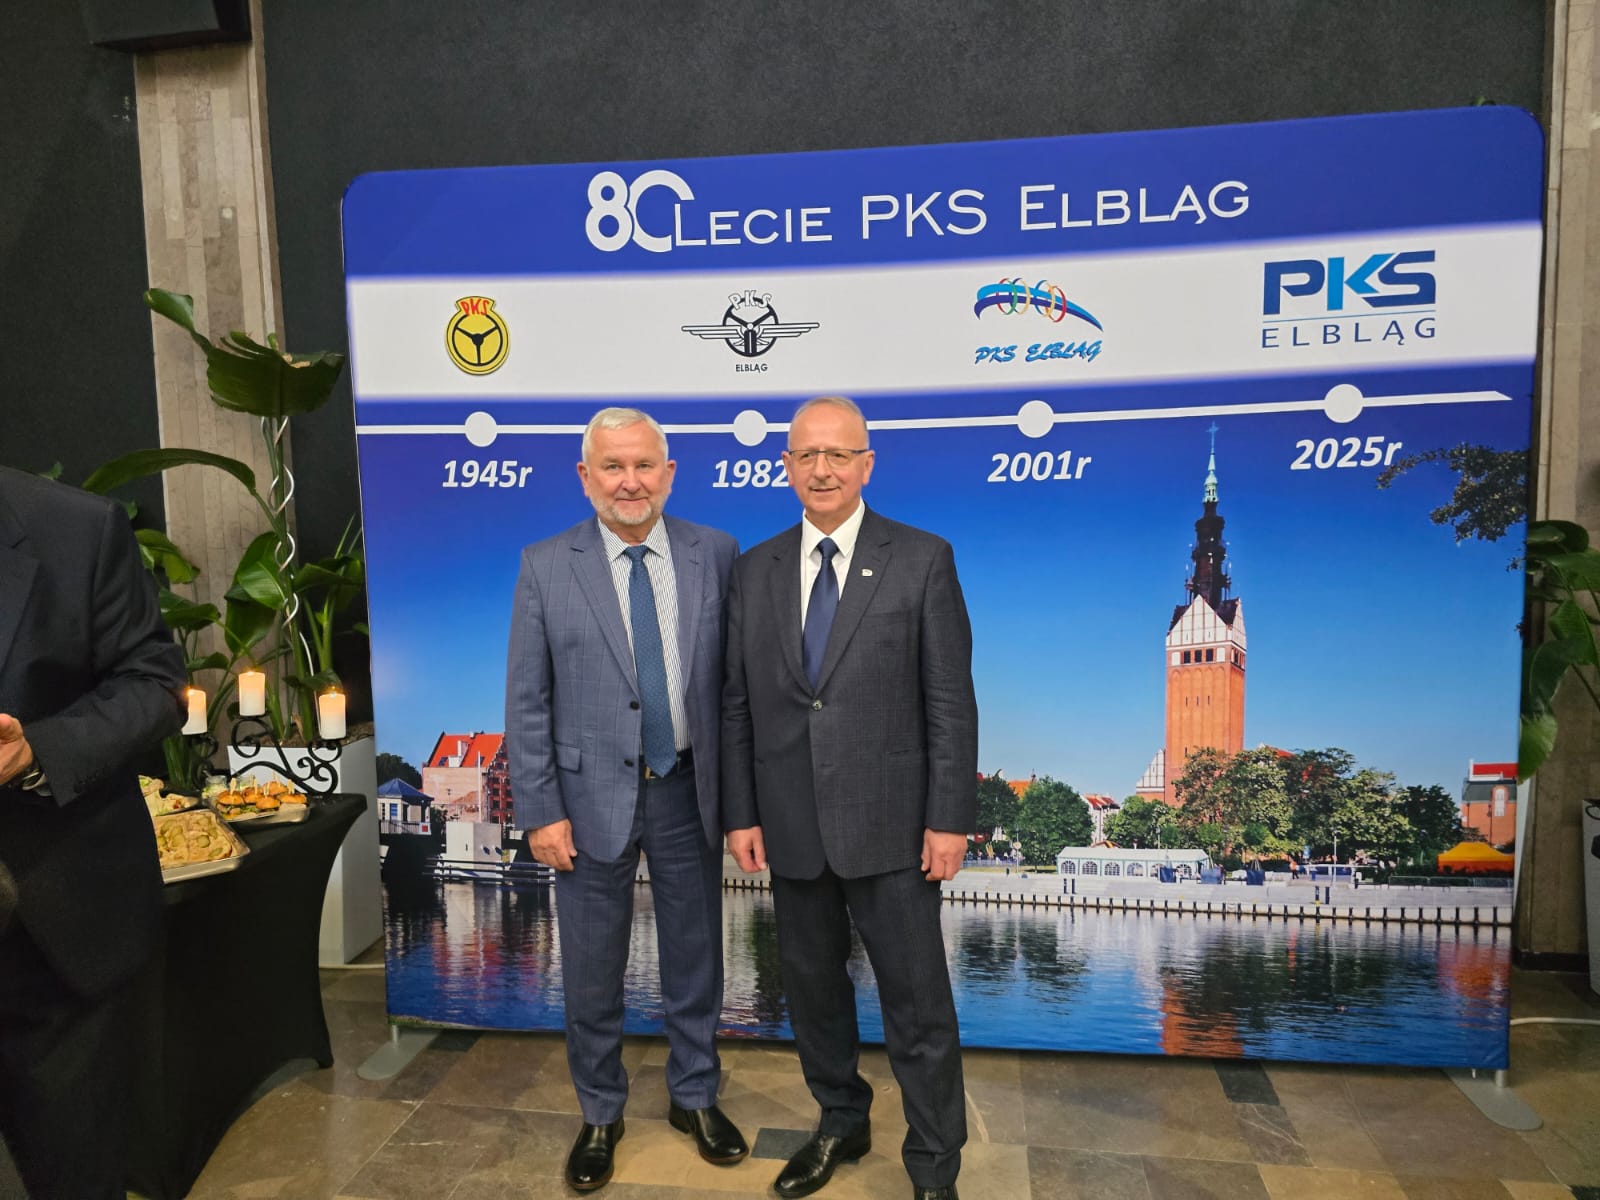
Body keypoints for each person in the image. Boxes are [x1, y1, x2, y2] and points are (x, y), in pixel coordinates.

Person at [722, 396, 977, 1200]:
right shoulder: (753, 571)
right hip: (790, 827)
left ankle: (933, 1167)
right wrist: (740, 812)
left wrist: (948, 819)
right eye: (806, 455)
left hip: (895, 831)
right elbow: (737, 705)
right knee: (813, 995)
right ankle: (841, 1119)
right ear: (786, 467)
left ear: (867, 464)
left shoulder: (923, 559)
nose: (822, 469)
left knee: (918, 1008)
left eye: (838, 454)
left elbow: (950, 702)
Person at [505, 408, 746, 1192]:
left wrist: (742, 800)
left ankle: (694, 1097)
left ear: (669, 474)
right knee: (591, 970)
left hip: (688, 792)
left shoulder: (717, 553)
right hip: (584, 803)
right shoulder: (545, 565)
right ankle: (601, 1112)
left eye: (644, 465)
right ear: (586, 477)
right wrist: (540, 810)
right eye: (613, 466)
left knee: (696, 960)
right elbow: (527, 702)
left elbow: (734, 690)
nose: (630, 482)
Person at [0, 466, 187, 1198]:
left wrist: (36, 752)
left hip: (48, 926)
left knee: (74, 1171)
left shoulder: (74, 527)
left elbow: (155, 681)